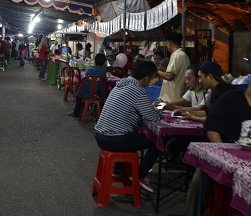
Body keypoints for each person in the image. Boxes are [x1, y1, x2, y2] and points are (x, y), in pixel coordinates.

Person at [176, 68, 251, 216]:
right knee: (199, 181)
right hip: (223, 158)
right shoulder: (232, 98)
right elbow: (212, 126)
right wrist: (222, 155)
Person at [94, 60, 162, 194]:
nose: (150, 81)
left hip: (100, 135)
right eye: (151, 78)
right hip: (113, 139)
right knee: (157, 141)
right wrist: (159, 108)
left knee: (130, 134)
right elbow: (153, 117)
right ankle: (140, 175)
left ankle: (119, 168)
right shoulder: (138, 91)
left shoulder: (120, 85)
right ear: (146, 78)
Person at [68, 53, 107, 119]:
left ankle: (76, 112)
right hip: (94, 95)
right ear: (104, 63)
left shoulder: (89, 70)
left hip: (82, 94)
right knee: (101, 96)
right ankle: (95, 111)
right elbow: (102, 86)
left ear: (94, 61)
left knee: (78, 95)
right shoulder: (103, 72)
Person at [157, 32, 190, 103]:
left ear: (170, 44)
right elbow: (174, 73)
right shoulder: (181, 55)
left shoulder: (178, 56)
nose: (167, 46)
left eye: (167, 43)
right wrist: (162, 69)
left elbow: (169, 76)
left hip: (173, 98)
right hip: (172, 98)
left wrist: (156, 71)